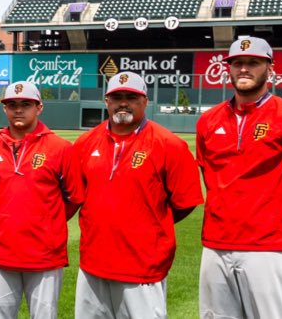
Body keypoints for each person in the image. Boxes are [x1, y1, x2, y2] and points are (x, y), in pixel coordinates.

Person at [195, 37, 282, 318]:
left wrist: (275, 206)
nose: (244, 69)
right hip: (216, 245)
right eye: (237, 63)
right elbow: (207, 172)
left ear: (270, 69)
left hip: (271, 247)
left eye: (253, 63)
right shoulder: (208, 121)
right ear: (229, 69)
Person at [73, 71, 203, 319]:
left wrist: (147, 222)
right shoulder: (85, 143)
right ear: (106, 101)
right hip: (92, 263)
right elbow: (78, 195)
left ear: (145, 101)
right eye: (117, 96)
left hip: (143, 266)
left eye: (131, 97)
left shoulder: (169, 145)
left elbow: (184, 203)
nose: (123, 102)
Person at [0, 81, 82, 319]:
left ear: (39, 107)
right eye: (12, 104)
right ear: (4, 108)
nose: (18, 109)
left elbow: (74, 197)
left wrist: (48, 222)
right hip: (2, 251)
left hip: (45, 254)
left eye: (26, 104)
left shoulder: (61, 148)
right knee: (1, 315)